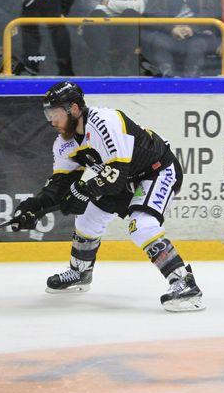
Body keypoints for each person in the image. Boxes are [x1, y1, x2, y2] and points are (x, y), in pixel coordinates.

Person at [11, 81, 205, 312]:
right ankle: (80, 272)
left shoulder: (106, 121)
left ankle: (185, 283)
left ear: (74, 109)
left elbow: (116, 177)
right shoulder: (64, 144)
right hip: (123, 180)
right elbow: (59, 186)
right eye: (48, 114)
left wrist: (81, 191)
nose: (51, 120)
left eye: (55, 113)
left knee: (141, 226)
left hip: (156, 171)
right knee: (86, 220)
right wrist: (34, 206)